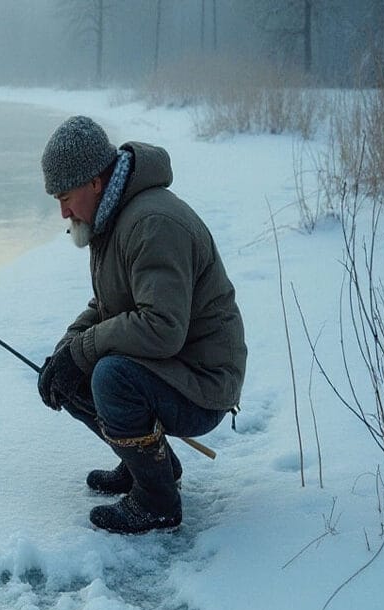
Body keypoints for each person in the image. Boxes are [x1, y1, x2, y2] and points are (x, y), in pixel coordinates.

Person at [35, 116, 247, 534]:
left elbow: (162, 327)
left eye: (65, 197)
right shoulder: (114, 218)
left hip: (204, 384)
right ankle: (150, 467)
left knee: (110, 376)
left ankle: (157, 502)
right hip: (175, 368)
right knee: (71, 375)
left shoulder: (152, 224)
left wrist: (82, 352)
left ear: (95, 182)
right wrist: (67, 349)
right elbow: (109, 305)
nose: (63, 212)